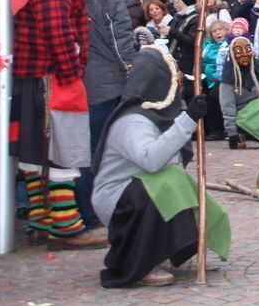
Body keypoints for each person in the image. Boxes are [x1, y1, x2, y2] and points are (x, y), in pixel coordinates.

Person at [91, 47, 228, 287]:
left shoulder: (156, 116)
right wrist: (187, 121)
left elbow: (170, 162)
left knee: (178, 183)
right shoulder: (132, 121)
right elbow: (152, 161)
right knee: (167, 182)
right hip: (119, 198)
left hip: (138, 188)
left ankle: (165, 246)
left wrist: (187, 116)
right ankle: (139, 264)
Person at [11, 0, 106, 249]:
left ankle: (41, 217)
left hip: (32, 75)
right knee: (62, 148)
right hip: (52, 78)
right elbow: (56, 29)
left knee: (36, 149)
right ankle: (65, 226)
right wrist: (71, 70)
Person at [66, 0, 136, 230]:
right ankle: (96, 212)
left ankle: (84, 209)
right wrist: (132, 73)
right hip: (105, 82)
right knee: (101, 150)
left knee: (82, 150)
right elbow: (120, 41)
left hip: (76, 81)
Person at [219, 37, 259, 149]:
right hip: (242, 117)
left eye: (248, 50)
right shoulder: (229, 77)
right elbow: (227, 108)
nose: (244, 54)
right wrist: (232, 134)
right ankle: (258, 134)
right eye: (239, 51)